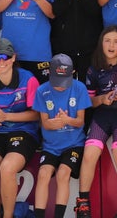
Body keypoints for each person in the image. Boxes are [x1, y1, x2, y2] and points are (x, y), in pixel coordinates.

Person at [76, 26, 117, 218]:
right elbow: (89, 101)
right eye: (107, 40)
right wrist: (103, 99)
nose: (111, 45)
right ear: (101, 43)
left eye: (116, 41)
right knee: (89, 153)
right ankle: (83, 202)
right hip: (102, 116)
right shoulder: (94, 68)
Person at [0, 38, 40, 218]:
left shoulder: (28, 79)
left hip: (23, 132)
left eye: (6, 57)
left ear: (13, 58)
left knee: (6, 169)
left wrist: (7, 116)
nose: (1, 62)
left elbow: (36, 115)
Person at [32, 54, 91, 218]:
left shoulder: (79, 88)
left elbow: (80, 121)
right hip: (50, 145)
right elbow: (44, 122)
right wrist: (55, 122)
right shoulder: (42, 90)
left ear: (72, 74)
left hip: (73, 144)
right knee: (43, 174)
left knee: (63, 174)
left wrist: (67, 120)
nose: (60, 87)